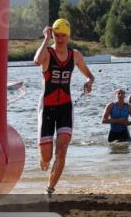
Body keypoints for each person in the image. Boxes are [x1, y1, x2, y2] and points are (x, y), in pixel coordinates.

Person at [33, 18, 95, 196]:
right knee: (47, 157)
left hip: (65, 108)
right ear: (52, 34)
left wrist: (89, 81)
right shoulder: (47, 53)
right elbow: (37, 60)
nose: (60, 39)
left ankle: (50, 189)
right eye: (57, 35)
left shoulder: (75, 55)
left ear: (68, 36)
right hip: (46, 108)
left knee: (62, 152)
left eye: (63, 36)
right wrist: (45, 38)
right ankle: (43, 157)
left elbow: (89, 75)